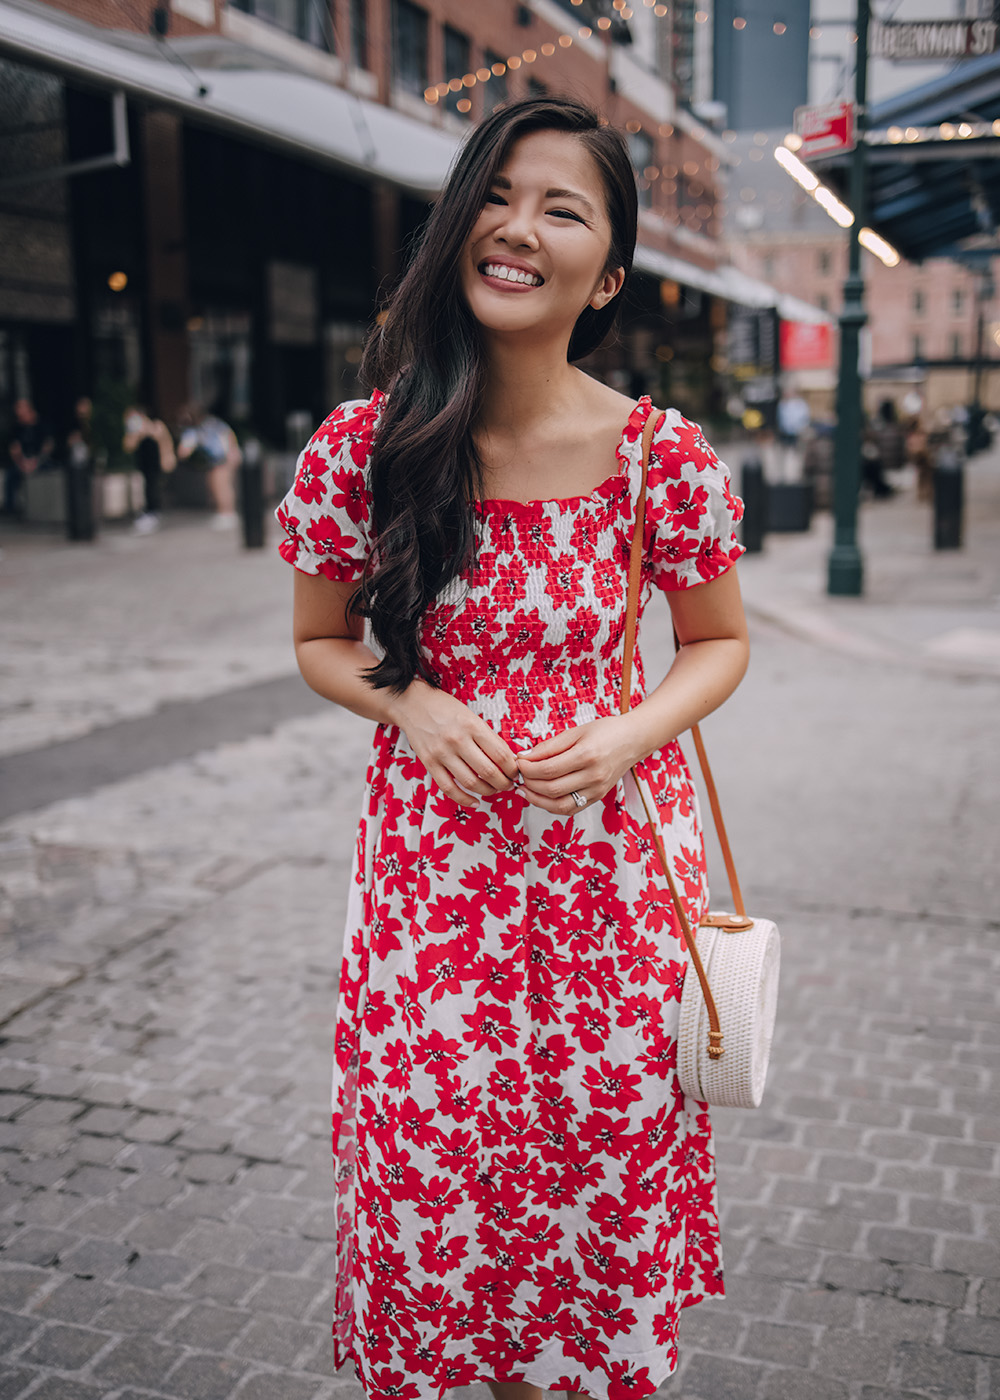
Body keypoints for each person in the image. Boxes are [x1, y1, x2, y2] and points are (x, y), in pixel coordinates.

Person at [275, 97, 749, 1400]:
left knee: (593, 1208)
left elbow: (717, 644)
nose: (518, 229)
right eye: (496, 195)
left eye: (563, 209)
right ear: (457, 225)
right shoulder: (364, 447)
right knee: (436, 1200)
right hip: (431, 912)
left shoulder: (662, 458)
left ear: (610, 274)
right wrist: (408, 703)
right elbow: (319, 639)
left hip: (611, 905)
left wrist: (625, 736)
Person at [176, 403, 241, 529]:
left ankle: (228, 514)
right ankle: (224, 513)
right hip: (218, 459)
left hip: (222, 459)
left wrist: (233, 451)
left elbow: (184, 450)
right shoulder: (206, 425)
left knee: (222, 485)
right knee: (215, 485)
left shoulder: (202, 427)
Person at [123, 404, 176, 534]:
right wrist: (136, 434)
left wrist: (148, 429)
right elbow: (128, 446)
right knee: (145, 488)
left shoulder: (156, 425)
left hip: (156, 464)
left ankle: (154, 513)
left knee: (154, 487)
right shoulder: (134, 430)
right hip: (144, 465)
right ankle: (148, 513)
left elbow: (164, 441)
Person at [5, 398, 54, 517]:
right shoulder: (16, 427)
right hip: (22, 462)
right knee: (11, 476)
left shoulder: (41, 425)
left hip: (40, 461)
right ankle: (11, 509)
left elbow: (47, 446)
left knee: (51, 473)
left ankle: (46, 508)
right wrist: (22, 462)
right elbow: (14, 449)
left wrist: (36, 461)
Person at [776, 387, 810, 483]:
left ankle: (796, 476)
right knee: (785, 454)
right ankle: (786, 476)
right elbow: (781, 419)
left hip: (797, 433)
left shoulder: (800, 405)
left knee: (797, 455)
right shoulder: (782, 404)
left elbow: (804, 418)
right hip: (786, 433)